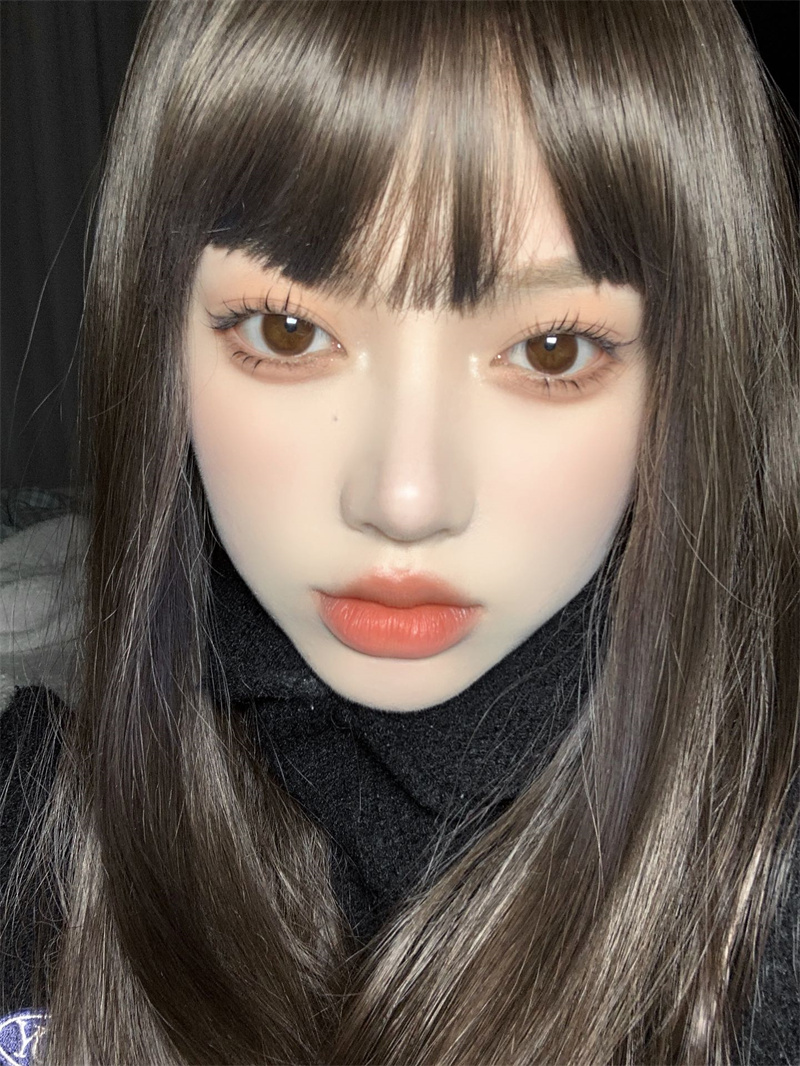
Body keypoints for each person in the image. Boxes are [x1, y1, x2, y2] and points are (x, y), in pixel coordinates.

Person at [1, 1, 798, 1063]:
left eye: (552, 351)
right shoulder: (37, 838)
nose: (406, 498)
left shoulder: (764, 907)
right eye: (288, 330)